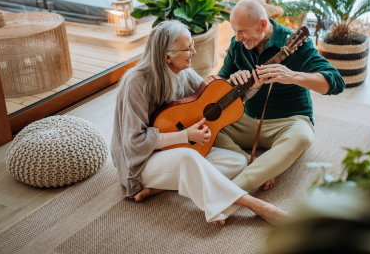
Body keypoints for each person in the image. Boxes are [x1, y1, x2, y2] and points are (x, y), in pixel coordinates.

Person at [110, 20, 290, 226]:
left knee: (237, 162)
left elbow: (214, 100)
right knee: (189, 156)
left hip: (174, 151)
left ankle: (163, 186)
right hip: (141, 163)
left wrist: (249, 85)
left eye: (192, 45)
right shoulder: (136, 82)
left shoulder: (184, 73)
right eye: (188, 48)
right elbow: (133, 142)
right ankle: (259, 207)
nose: (194, 52)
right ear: (167, 56)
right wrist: (186, 135)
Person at [215, 0, 345, 191]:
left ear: (263, 24)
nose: (237, 37)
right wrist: (232, 80)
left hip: (289, 122)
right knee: (205, 127)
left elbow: (336, 82)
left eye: (242, 31)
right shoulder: (237, 45)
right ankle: (251, 162)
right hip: (248, 120)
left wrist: (292, 76)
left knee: (303, 137)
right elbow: (219, 85)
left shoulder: (294, 42)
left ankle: (229, 193)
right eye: (235, 30)